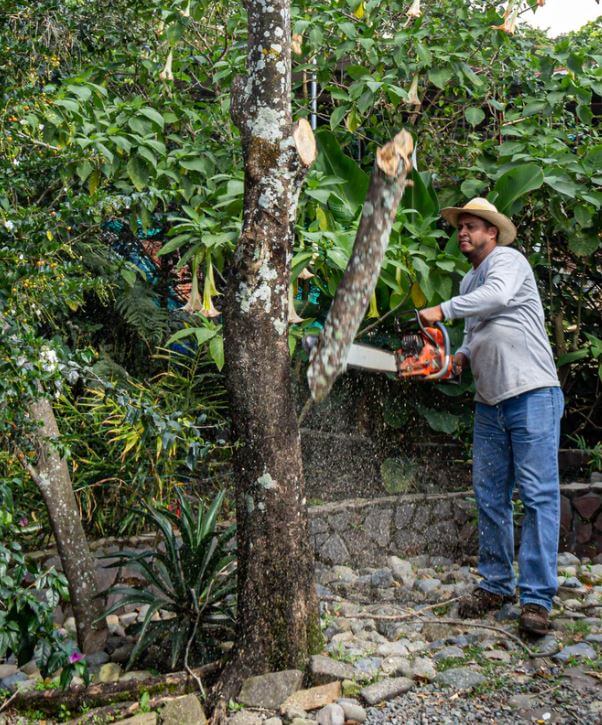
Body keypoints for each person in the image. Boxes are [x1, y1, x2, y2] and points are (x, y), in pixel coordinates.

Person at [419, 197, 563, 638]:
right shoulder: (468, 279)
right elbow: (474, 331)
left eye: (472, 226)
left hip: (532, 392)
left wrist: (442, 309)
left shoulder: (508, 261)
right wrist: (458, 357)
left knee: (538, 496)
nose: (463, 232)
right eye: (460, 226)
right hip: (489, 402)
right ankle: (497, 584)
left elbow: (497, 298)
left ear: (492, 233)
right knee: (489, 495)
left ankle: (537, 598)